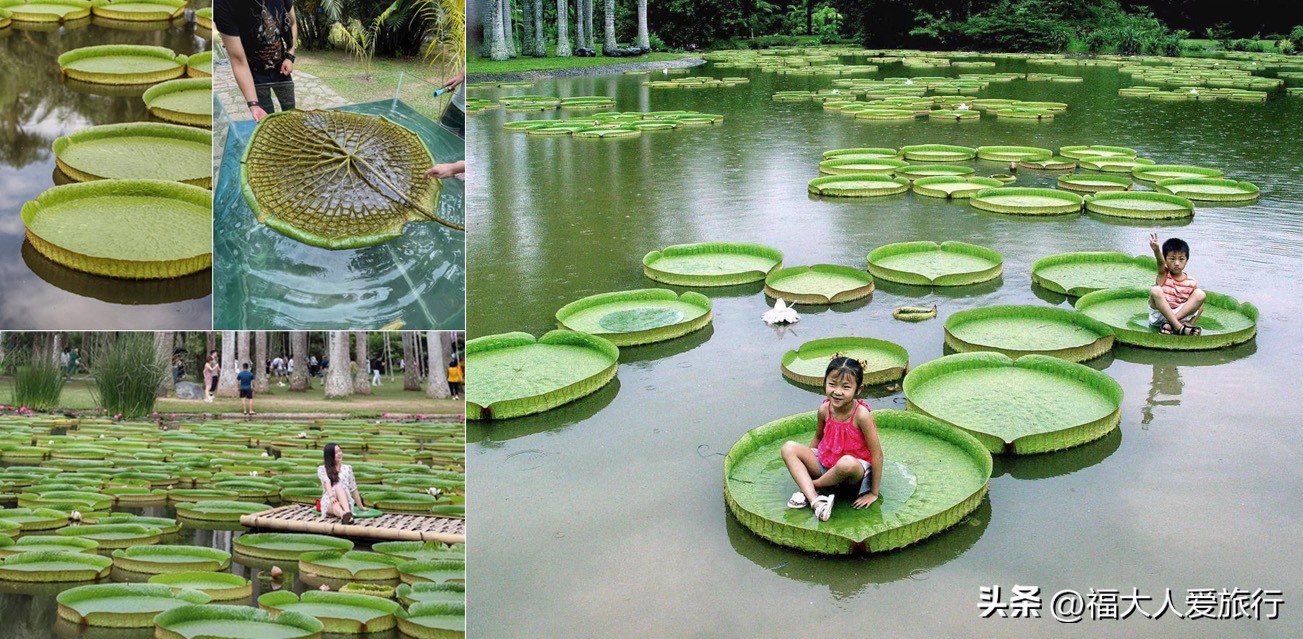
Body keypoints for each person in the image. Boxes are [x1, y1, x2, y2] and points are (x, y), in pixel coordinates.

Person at [779, 356, 883, 522]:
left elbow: (877, 454)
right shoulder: (824, 410)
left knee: (846, 462)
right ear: (825, 383)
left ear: (859, 389)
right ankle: (815, 502)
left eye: (846, 387)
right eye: (832, 384)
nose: (837, 391)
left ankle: (812, 486)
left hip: (852, 473)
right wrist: (806, 463)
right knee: (788, 448)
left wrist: (873, 492)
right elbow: (818, 438)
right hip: (826, 463)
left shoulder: (862, 415)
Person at [215, 0, 297, 122]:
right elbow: (238, 61)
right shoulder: (223, 5)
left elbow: (293, 23)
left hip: (281, 69)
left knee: (291, 113)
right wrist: (253, 104)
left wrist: (290, 56)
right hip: (254, 74)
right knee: (267, 121)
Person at [1148, 233, 1205, 336]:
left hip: (1178, 315)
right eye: (1172, 259)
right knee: (1155, 290)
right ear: (1165, 260)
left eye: (1181, 259)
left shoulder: (1191, 282)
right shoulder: (1164, 274)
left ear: (1187, 260)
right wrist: (1156, 250)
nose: (1177, 263)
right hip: (1160, 315)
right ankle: (1178, 327)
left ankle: (1175, 324)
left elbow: (1199, 306)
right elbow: (1160, 263)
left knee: (1200, 295)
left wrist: (1191, 322)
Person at [318, 443, 364, 524]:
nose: (339, 454)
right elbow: (326, 482)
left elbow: (353, 488)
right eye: (336, 452)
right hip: (330, 500)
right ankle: (345, 515)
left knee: (339, 487)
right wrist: (331, 497)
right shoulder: (322, 469)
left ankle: (346, 513)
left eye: (340, 451)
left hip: (345, 501)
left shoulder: (348, 468)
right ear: (330, 455)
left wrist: (360, 506)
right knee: (335, 503)